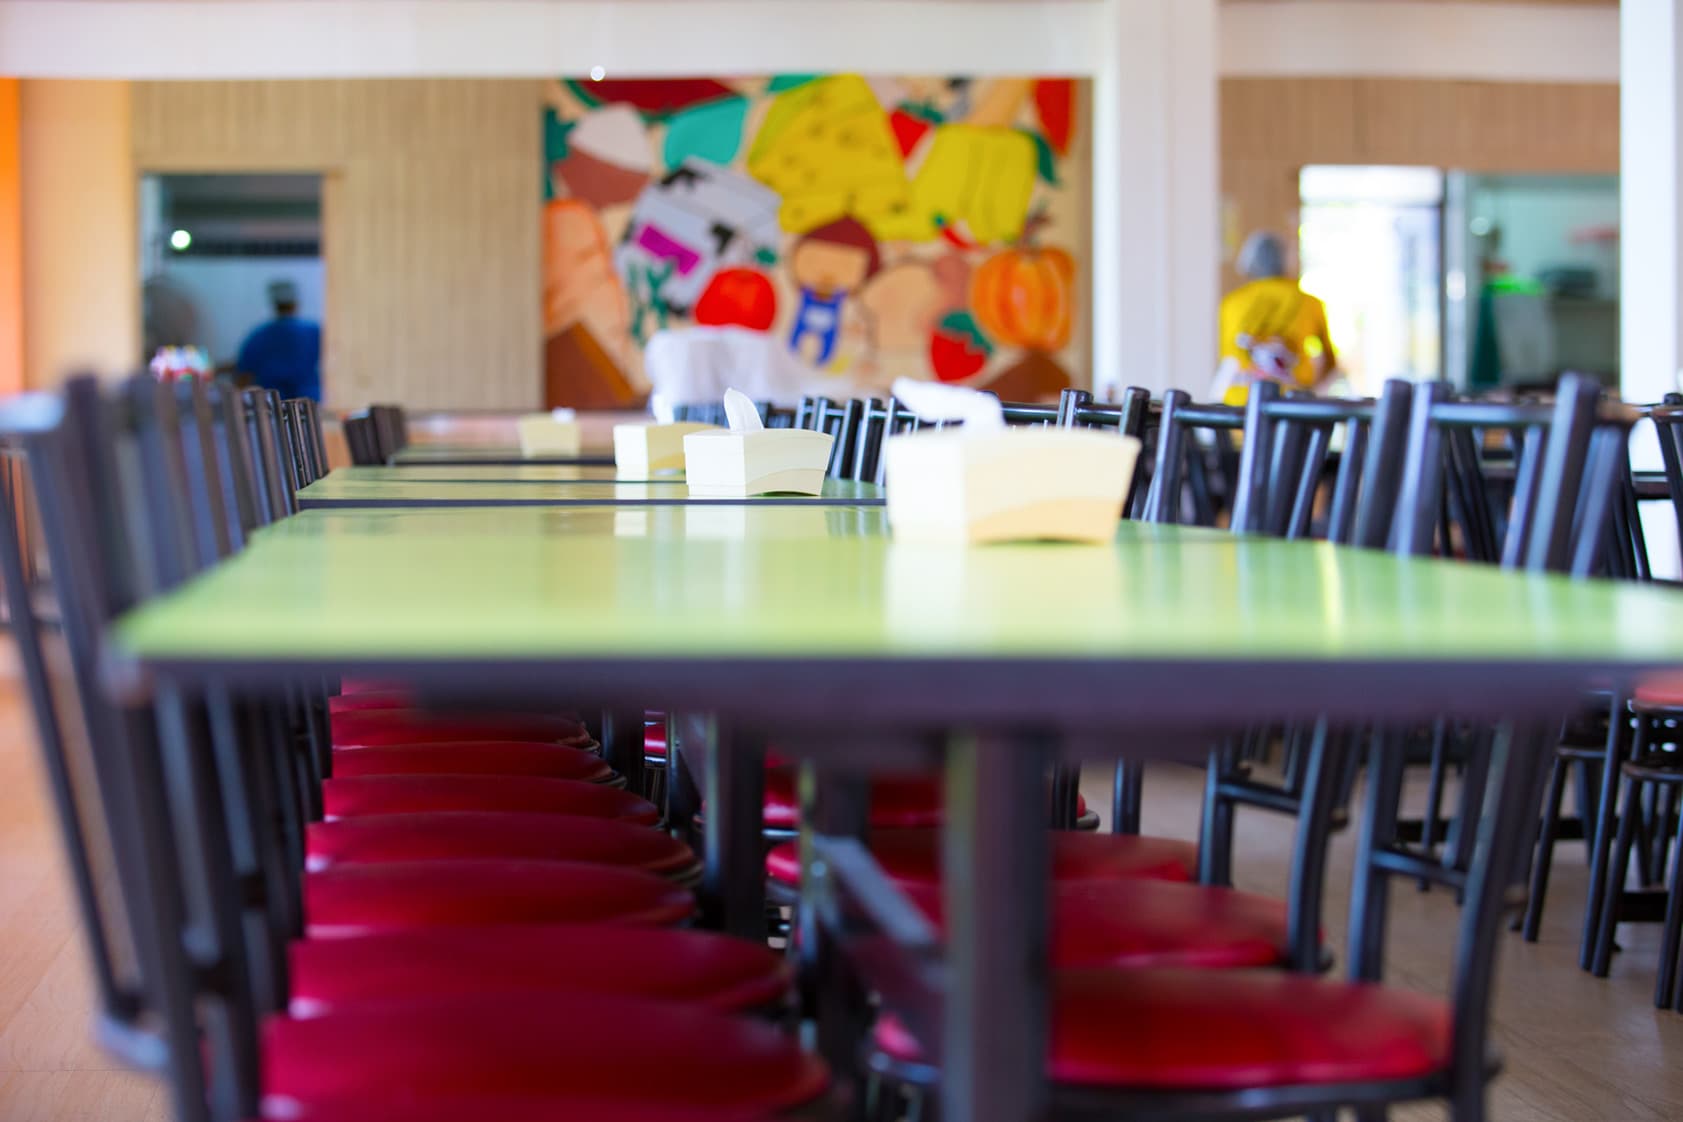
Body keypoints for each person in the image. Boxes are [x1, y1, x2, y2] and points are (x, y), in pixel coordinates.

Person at [1215, 232, 1336, 404]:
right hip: (1293, 406)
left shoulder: (1231, 303)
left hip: (1240, 408)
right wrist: (1311, 389)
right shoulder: (1310, 303)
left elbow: (1228, 360)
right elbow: (1330, 361)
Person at [236, 280, 321, 401]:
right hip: (308, 400)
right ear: (295, 304)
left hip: (272, 403)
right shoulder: (313, 331)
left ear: (275, 305)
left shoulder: (260, 334)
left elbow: (244, 375)